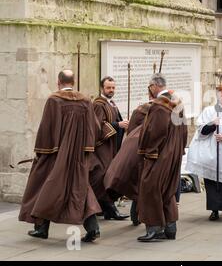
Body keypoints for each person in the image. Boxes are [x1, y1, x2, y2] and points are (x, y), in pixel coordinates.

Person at [19, 70, 101, 242]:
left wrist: (41, 152)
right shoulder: (85, 101)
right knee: (80, 188)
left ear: (58, 82)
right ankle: (93, 228)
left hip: (56, 156)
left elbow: (47, 129)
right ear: (74, 81)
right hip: (79, 156)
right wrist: (86, 150)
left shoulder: (53, 100)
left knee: (44, 186)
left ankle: (41, 228)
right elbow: (95, 128)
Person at [136, 73, 188, 242]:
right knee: (167, 190)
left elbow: (155, 133)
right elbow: (184, 129)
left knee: (149, 187)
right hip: (174, 154)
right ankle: (170, 228)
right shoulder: (177, 102)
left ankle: (154, 228)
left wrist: (146, 151)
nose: (149, 89)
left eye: (149, 86)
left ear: (154, 86)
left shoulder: (159, 105)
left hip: (160, 155)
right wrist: (179, 149)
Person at [186, 86, 222, 220]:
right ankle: (214, 209)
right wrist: (212, 125)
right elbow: (200, 130)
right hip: (211, 152)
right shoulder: (208, 111)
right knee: (211, 182)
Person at [103, 87, 155, 226]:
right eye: (109, 87)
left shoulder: (141, 110)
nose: (111, 89)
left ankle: (137, 215)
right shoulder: (144, 111)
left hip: (138, 150)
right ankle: (137, 215)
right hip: (142, 152)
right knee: (139, 183)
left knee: (139, 183)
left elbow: (131, 130)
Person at [89, 76, 129, 220]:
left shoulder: (111, 103)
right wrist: (118, 125)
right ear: (102, 88)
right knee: (102, 178)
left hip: (112, 147)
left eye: (113, 88)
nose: (111, 90)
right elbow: (97, 126)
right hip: (102, 149)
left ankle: (103, 209)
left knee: (108, 177)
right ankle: (110, 210)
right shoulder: (99, 104)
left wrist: (122, 124)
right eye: (108, 88)